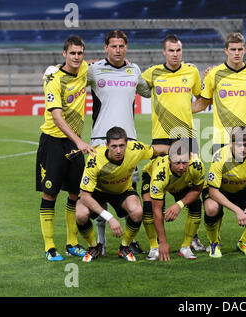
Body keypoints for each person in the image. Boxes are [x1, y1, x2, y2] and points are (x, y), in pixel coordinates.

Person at [86, 30, 152, 255]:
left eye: (121, 46)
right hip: (99, 140)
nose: (117, 50)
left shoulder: (134, 70)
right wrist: (54, 69)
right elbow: (71, 76)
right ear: (106, 47)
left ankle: (128, 241)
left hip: (129, 141)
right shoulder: (93, 70)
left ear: (126, 47)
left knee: (128, 187)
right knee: (100, 189)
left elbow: (148, 90)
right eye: (113, 46)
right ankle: (101, 241)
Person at [141, 34, 206, 252]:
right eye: (171, 50)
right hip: (160, 137)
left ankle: (193, 237)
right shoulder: (152, 73)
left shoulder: (192, 72)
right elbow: (134, 85)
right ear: (164, 52)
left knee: (193, 186)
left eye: (178, 50)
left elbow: (203, 98)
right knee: (157, 187)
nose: (175, 54)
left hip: (186, 136)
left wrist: (189, 110)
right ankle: (158, 243)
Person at [36, 35, 96, 261]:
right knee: (49, 193)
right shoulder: (53, 78)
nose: (77, 57)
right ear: (64, 54)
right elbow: (57, 115)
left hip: (74, 142)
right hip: (53, 141)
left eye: (80, 53)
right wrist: (79, 141)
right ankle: (50, 247)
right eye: (72, 53)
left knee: (75, 194)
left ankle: (72, 243)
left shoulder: (83, 70)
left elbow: (99, 62)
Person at [76, 127, 160, 262]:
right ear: (107, 145)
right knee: (80, 214)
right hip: (98, 192)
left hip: (122, 191)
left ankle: (124, 247)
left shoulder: (135, 149)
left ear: (127, 144)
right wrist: (109, 217)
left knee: (137, 211)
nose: (119, 150)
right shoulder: (95, 159)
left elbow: (155, 149)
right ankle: (93, 247)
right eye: (114, 146)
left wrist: (178, 150)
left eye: (122, 146)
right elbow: (85, 196)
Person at [192, 32, 246, 155]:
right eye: (233, 49)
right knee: (221, 174)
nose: (236, 53)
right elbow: (202, 104)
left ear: (244, 50)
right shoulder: (214, 74)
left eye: (239, 49)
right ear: (226, 51)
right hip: (222, 139)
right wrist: (177, 111)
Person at [204, 127, 246, 258]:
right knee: (211, 208)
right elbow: (213, 192)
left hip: (242, 189)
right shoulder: (220, 158)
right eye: (239, 145)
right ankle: (214, 243)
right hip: (220, 191)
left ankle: (244, 242)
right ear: (231, 143)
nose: (243, 149)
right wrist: (237, 210)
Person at [141, 140, 205, 261]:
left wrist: (179, 204)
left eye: (185, 162)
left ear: (190, 157)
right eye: (177, 163)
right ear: (169, 160)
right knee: (149, 207)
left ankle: (186, 247)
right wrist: (163, 242)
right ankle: (154, 247)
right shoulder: (159, 174)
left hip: (181, 182)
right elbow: (157, 210)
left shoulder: (196, 166)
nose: (181, 167)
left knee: (196, 204)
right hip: (153, 176)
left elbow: (197, 190)